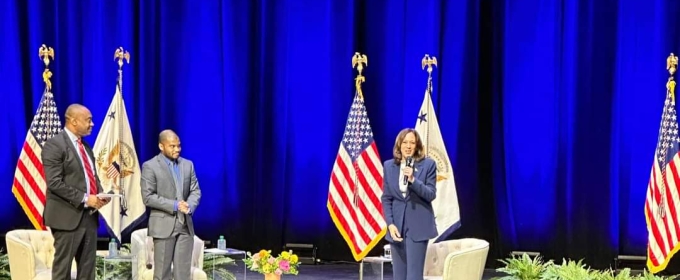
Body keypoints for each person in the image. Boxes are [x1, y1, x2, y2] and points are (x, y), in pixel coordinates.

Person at [42, 103, 110, 280]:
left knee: (87, 271)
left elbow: (91, 177)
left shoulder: (86, 147)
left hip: (89, 218)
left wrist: (100, 194)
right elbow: (55, 183)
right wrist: (87, 199)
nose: (92, 124)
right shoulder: (54, 145)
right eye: (88, 120)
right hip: (67, 218)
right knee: (62, 270)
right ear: (73, 121)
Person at [141, 129, 202, 280]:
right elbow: (148, 197)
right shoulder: (150, 166)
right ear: (161, 146)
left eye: (178, 146)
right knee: (162, 274)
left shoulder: (188, 165)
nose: (177, 149)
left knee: (183, 275)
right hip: (163, 227)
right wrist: (175, 205)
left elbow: (196, 191)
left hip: (185, 227)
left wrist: (189, 205)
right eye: (172, 146)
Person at [381, 128, 437, 280]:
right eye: (405, 142)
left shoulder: (428, 165)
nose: (408, 146)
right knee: (398, 276)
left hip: (418, 227)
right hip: (396, 228)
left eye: (412, 142)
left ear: (417, 146)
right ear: (399, 145)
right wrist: (390, 224)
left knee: (413, 276)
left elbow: (430, 194)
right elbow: (386, 198)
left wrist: (413, 180)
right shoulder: (389, 166)